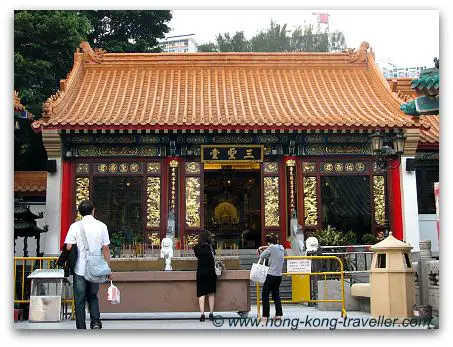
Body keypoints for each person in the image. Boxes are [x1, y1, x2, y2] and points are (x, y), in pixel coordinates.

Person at [64, 200, 111, 329]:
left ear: (80, 212)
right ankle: (95, 322)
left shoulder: (75, 226)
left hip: (80, 267)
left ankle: (81, 326)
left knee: (79, 299)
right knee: (93, 296)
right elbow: (105, 248)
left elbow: (68, 246)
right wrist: (108, 268)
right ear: (93, 210)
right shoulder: (101, 226)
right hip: (95, 267)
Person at [257, 234, 285, 320]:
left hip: (271, 275)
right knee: (276, 295)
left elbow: (261, 256)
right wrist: (266, 246)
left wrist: (260, 248)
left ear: (269, 242)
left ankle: (265, 316)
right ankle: (279, 315)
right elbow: (273, 247)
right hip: (279, 276)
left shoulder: (271, 248)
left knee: (265, 295)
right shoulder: (281, 248)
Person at [193, 230, 217, 322]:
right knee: (211, 293)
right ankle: (211, 314)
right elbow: (213, 256)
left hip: (201, 272)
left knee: (201, 294)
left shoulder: (196, 248)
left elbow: (198, 257)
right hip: (210, 272)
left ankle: (202, 314)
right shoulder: (211, 247)